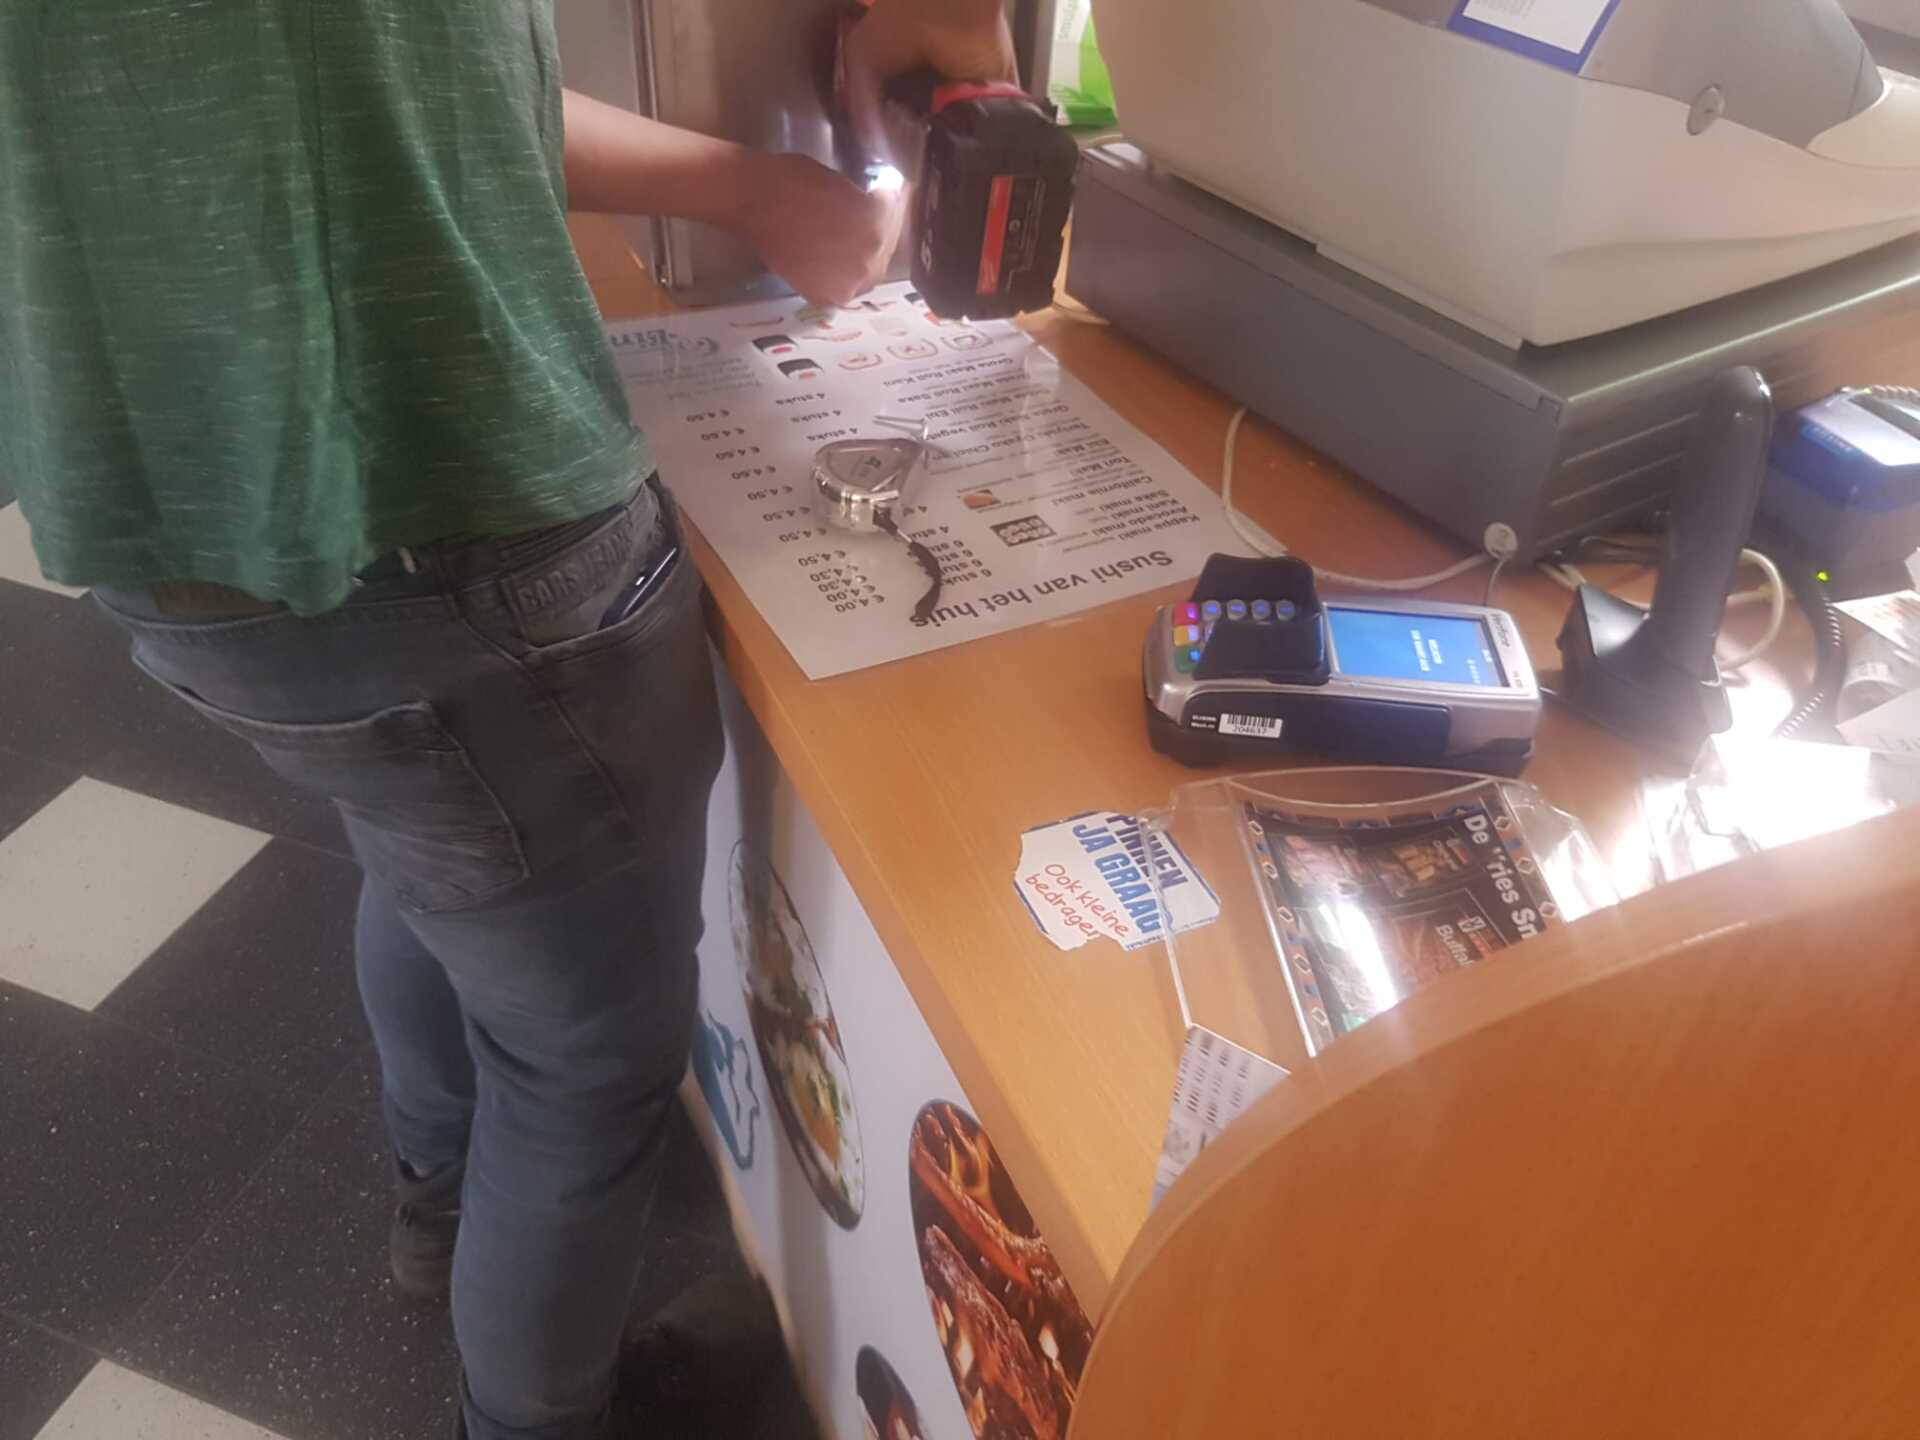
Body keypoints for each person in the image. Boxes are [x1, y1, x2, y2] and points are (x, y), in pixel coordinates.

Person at [0, 3, 1014, 1437]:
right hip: (453, 527)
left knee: (440, 846)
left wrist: (752, 186)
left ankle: (441, 1197)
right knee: (582, 1061)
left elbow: (410, 78)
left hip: (173, 534)